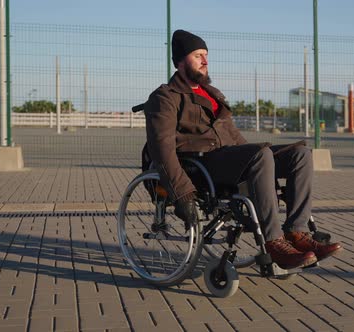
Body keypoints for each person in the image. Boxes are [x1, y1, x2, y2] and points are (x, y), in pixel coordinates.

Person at [144, 29, 342, 269]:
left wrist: (256, 154)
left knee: (300, 155)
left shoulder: (212, 94)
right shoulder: (166, 96)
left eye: (206, 55)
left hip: (227, 157)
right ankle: (274, 242)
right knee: (261, 155)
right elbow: (161, 149)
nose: (205, 61)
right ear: (180, 60)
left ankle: (296, 233)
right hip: (201, 163)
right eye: (198, 55)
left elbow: (233, 136)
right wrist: (182, 193)